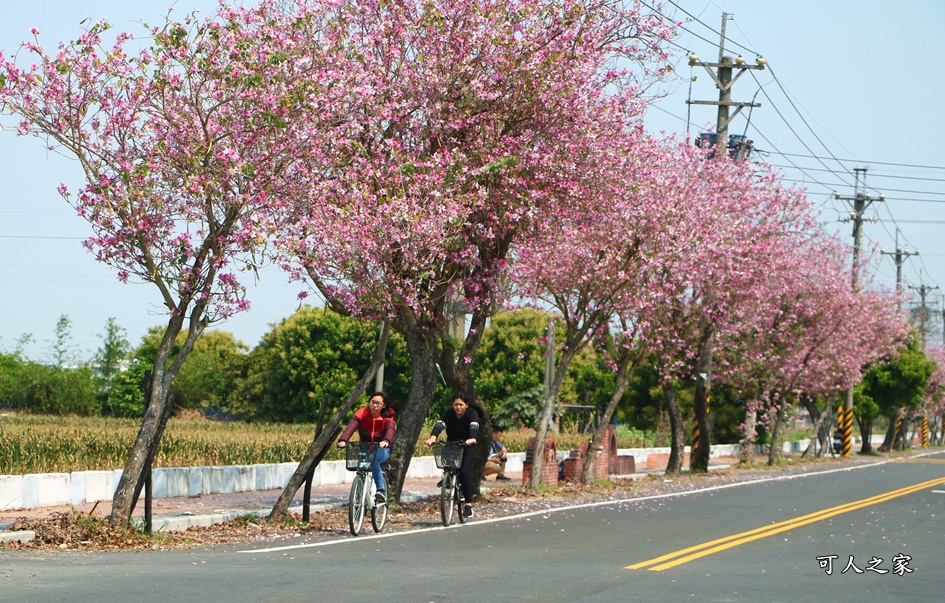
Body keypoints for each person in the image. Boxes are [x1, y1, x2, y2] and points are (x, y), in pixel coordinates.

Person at [425, 393, 479, 518]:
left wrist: (472, 438)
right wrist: (433, 437)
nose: (458, 407)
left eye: (461, 404)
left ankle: (468, 505)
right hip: (453, 443)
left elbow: (474, 427)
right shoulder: (449, 413)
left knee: (465, 472)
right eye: (456, 404)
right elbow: (440, 424)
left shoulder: (471, 414)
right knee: (445, 460)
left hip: (468, 445)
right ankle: (448, 478)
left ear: (466, 405)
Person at [338, 391, 396, 504]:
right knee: (361, 468)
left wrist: (386, 441)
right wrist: (343, 440)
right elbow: (351, 426)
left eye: (378, 403)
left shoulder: (388, 415)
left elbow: (390, 430)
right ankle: (360, 496)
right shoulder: (362, 412)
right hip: (364, 447)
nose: (375, 405)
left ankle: (380, 490)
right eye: (373, 402)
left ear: (383, 405)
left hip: (382, 449)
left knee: (374, 459)